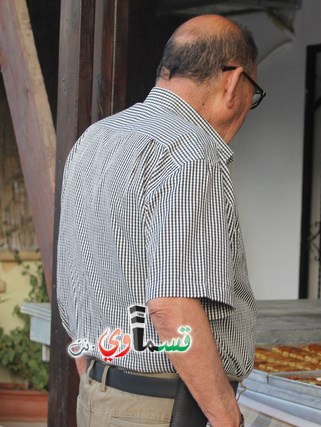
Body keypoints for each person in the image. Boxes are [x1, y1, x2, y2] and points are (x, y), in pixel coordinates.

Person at [56, 14, 265, 426]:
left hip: (101, 393)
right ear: (233, 81)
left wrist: (99, 376)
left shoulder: (96, 138)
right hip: (162, 407)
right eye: (252, 94)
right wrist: (227, 419)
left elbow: (75, 281)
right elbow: (171, 308)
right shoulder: (192, 155)